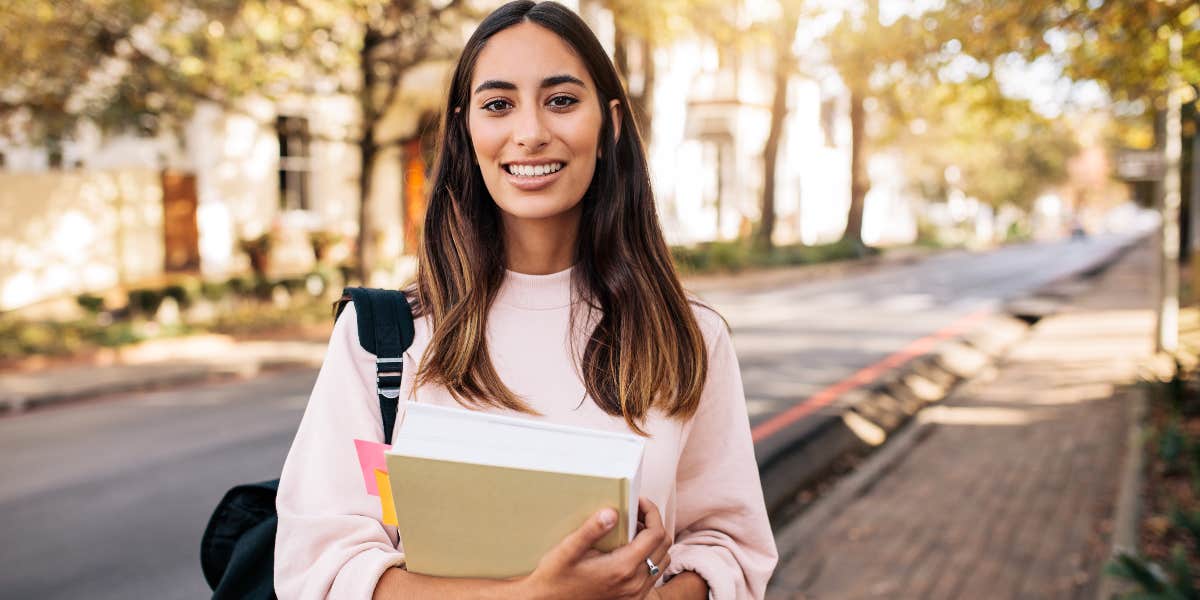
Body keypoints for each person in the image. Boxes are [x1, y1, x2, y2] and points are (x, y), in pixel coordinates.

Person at [274, 1, 778, 598]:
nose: (531, 132)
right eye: (497, 104)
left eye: (561, 100)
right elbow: (323, 568)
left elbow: (727, 546)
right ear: (466, 127)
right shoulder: (383, 338)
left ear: (611, 123)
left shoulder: (688, 336)